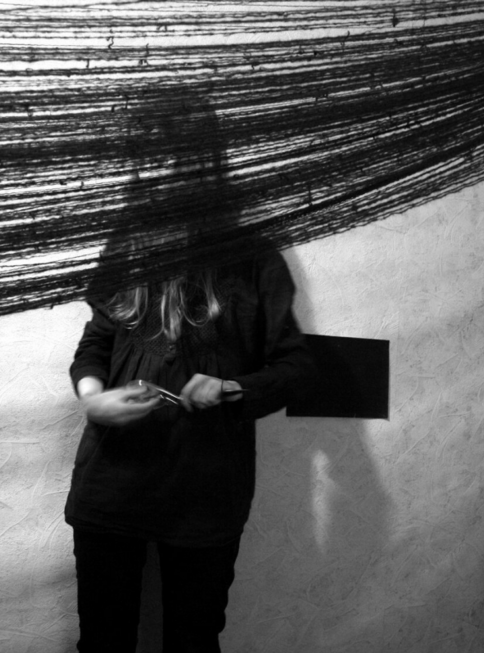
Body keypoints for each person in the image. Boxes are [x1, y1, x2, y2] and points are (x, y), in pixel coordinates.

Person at [65, 94, 313, 652]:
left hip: (206, 491)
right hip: (112, 483)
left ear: (207, 158)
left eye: (177, 155)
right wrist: (93, 397)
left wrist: (233, 387)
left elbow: (296, 367)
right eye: (150, 157)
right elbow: (95, 344)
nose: (163, 170)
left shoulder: (254, 257)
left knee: (193, 643)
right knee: (102, 643)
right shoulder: (126, 244)